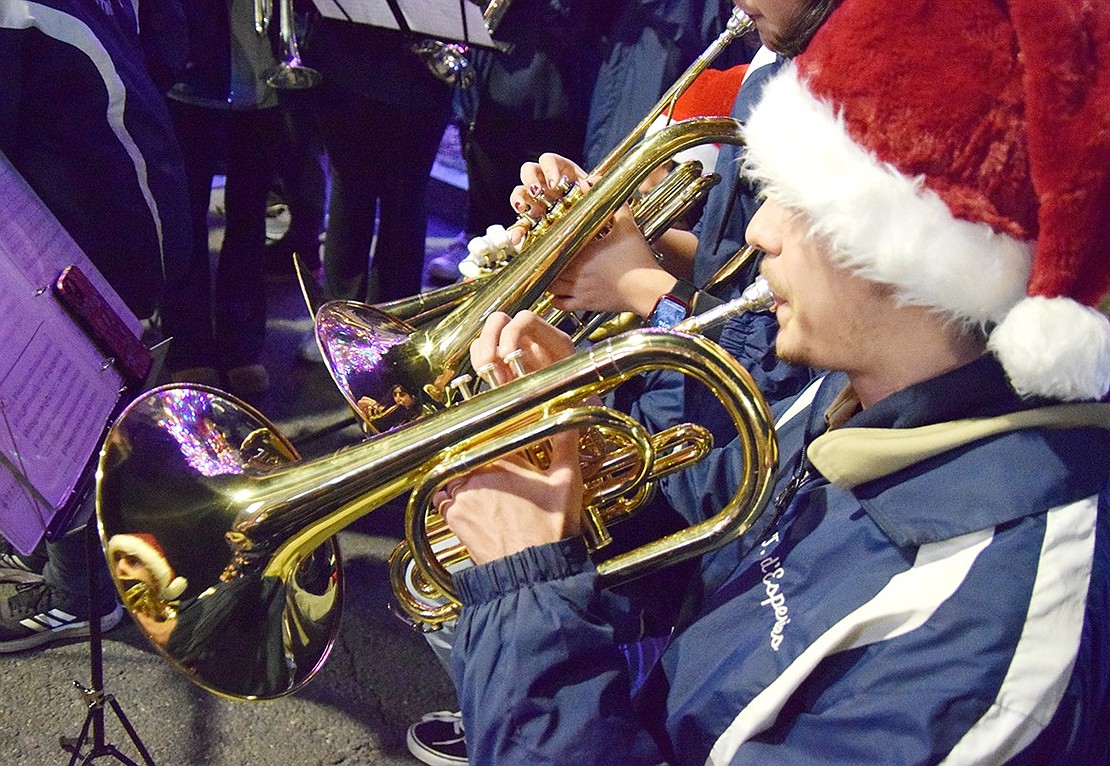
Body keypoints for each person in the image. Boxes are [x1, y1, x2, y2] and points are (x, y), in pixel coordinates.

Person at [433, 0, 1110, 762]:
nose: (758, 230)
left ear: (913, 248)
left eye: (805, 198)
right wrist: (577, 446)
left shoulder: (983, 638)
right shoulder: (860, 392)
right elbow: (717, 507)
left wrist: (527, 596)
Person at [0, 0, 191, 652]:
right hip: (112, 216)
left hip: (106, 246)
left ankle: (78, 596)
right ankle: (59, 549)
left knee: (56, 408)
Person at [158, 0, 285, 396]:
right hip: (189, 75)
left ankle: (242, 345)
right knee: (186, 216)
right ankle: (187, 343)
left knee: (249, 217)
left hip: (264, 80)